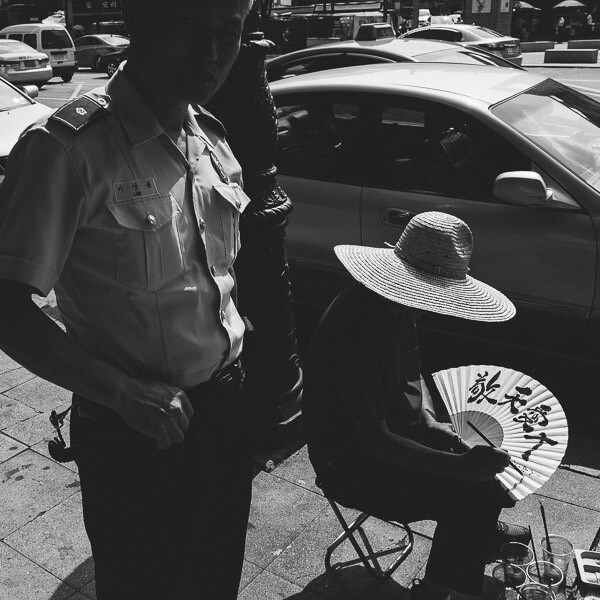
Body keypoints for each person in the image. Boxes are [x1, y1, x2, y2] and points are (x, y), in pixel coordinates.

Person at [0, 0, 254, 598]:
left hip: (223, 416)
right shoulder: (67, 148)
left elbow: (215, 279)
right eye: (192, 25)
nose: (214, 51)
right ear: (139, 23)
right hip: (133, 431)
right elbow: (5, 307)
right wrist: (121, 393)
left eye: (230, 29)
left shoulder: (208, 137)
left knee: (216, 580)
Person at [303, 211, 531, 600]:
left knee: (485, 464)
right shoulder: (356, 327)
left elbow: (416, 373)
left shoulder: (397, 308)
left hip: (395, 432)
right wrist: (456, 466)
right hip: (350, 462)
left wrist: (429, 419)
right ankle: (437, 589)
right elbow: (374, 441)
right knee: (471, 487)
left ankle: (476, 536)